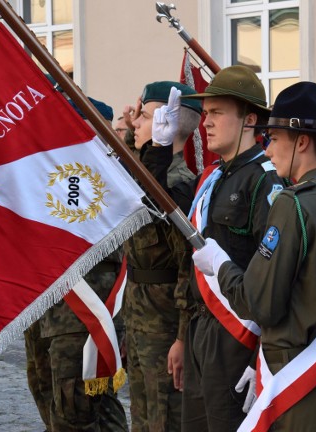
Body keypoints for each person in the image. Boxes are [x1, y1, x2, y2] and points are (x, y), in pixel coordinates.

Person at [192, 81, 316, 430]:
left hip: (296, 376)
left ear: (301, 141)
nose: (268, 151)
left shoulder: (292, 203)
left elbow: (260, 303)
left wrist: (220, 265)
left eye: (275, 140)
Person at [141, 65, 285, 432]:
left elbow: (274, 275)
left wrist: (263, 356)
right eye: (205, 113)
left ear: (250, 119)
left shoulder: (265, 181)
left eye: (218, 112)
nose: (206, 122)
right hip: (202, 326)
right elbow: (159, 211)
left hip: (238, 332)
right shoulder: (212, 176)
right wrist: (158, 149)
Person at [25, 97, 129, 432]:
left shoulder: (112, 174)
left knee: (75, 412)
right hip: (44, 309)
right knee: (49, 395)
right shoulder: (51, 171)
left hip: (83, 314)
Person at [122, 81, 201, 432]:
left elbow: (188, 267)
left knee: (166, 418)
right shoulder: (147, 177)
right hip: (140, 317)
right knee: (141, 416)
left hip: (167, 323)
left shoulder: (178, 184)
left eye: (146, 117)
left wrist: (183, 337)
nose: (137, 123)